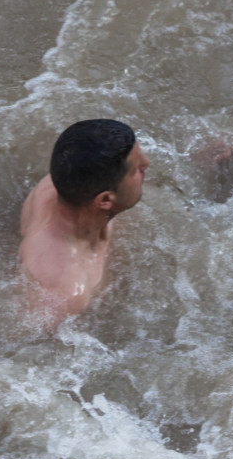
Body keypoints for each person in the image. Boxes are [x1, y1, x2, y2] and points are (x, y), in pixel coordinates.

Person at [19, 118, 151, 326]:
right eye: (136, 169)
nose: (147, 163)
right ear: (105, 200)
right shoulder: (65, 291)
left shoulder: (67, 181)